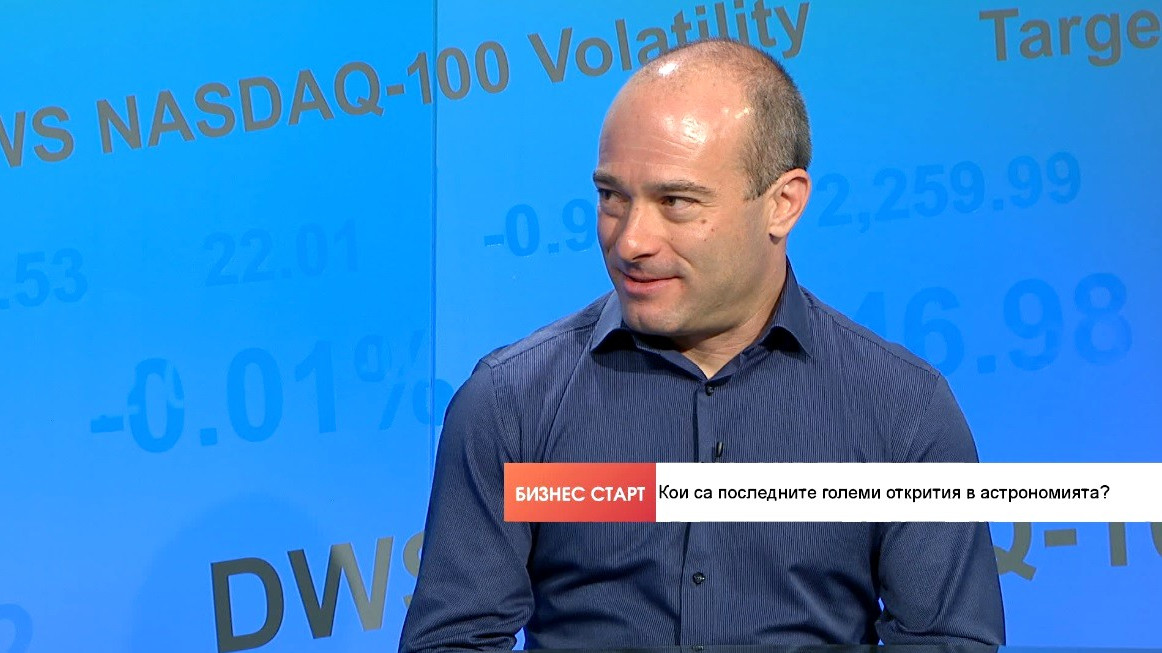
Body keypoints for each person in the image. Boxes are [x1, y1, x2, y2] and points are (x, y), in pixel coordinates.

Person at [399, 38, 1005, 652]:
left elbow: (946, 642)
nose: (631, 241)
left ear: (783, 204)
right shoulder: (509, 403)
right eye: (612, 197)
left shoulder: (903, 411)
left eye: (676, 202)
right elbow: (453, 641)